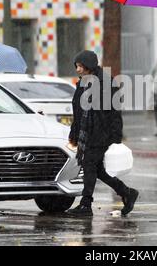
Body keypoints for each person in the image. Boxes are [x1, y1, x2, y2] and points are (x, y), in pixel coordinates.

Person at [67, 50, 138, 217]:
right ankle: (127, 192)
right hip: (88, 133)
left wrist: (116, 137)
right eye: (76, 66)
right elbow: (77, 112)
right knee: (97, 170)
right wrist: (74, 133)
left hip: (101, 134)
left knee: (89, 165)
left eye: (80, 66)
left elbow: (114, 113)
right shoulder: (83, 83)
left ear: (88, 66)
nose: (77, 69)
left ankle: (85, 204)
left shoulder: (106, 83)